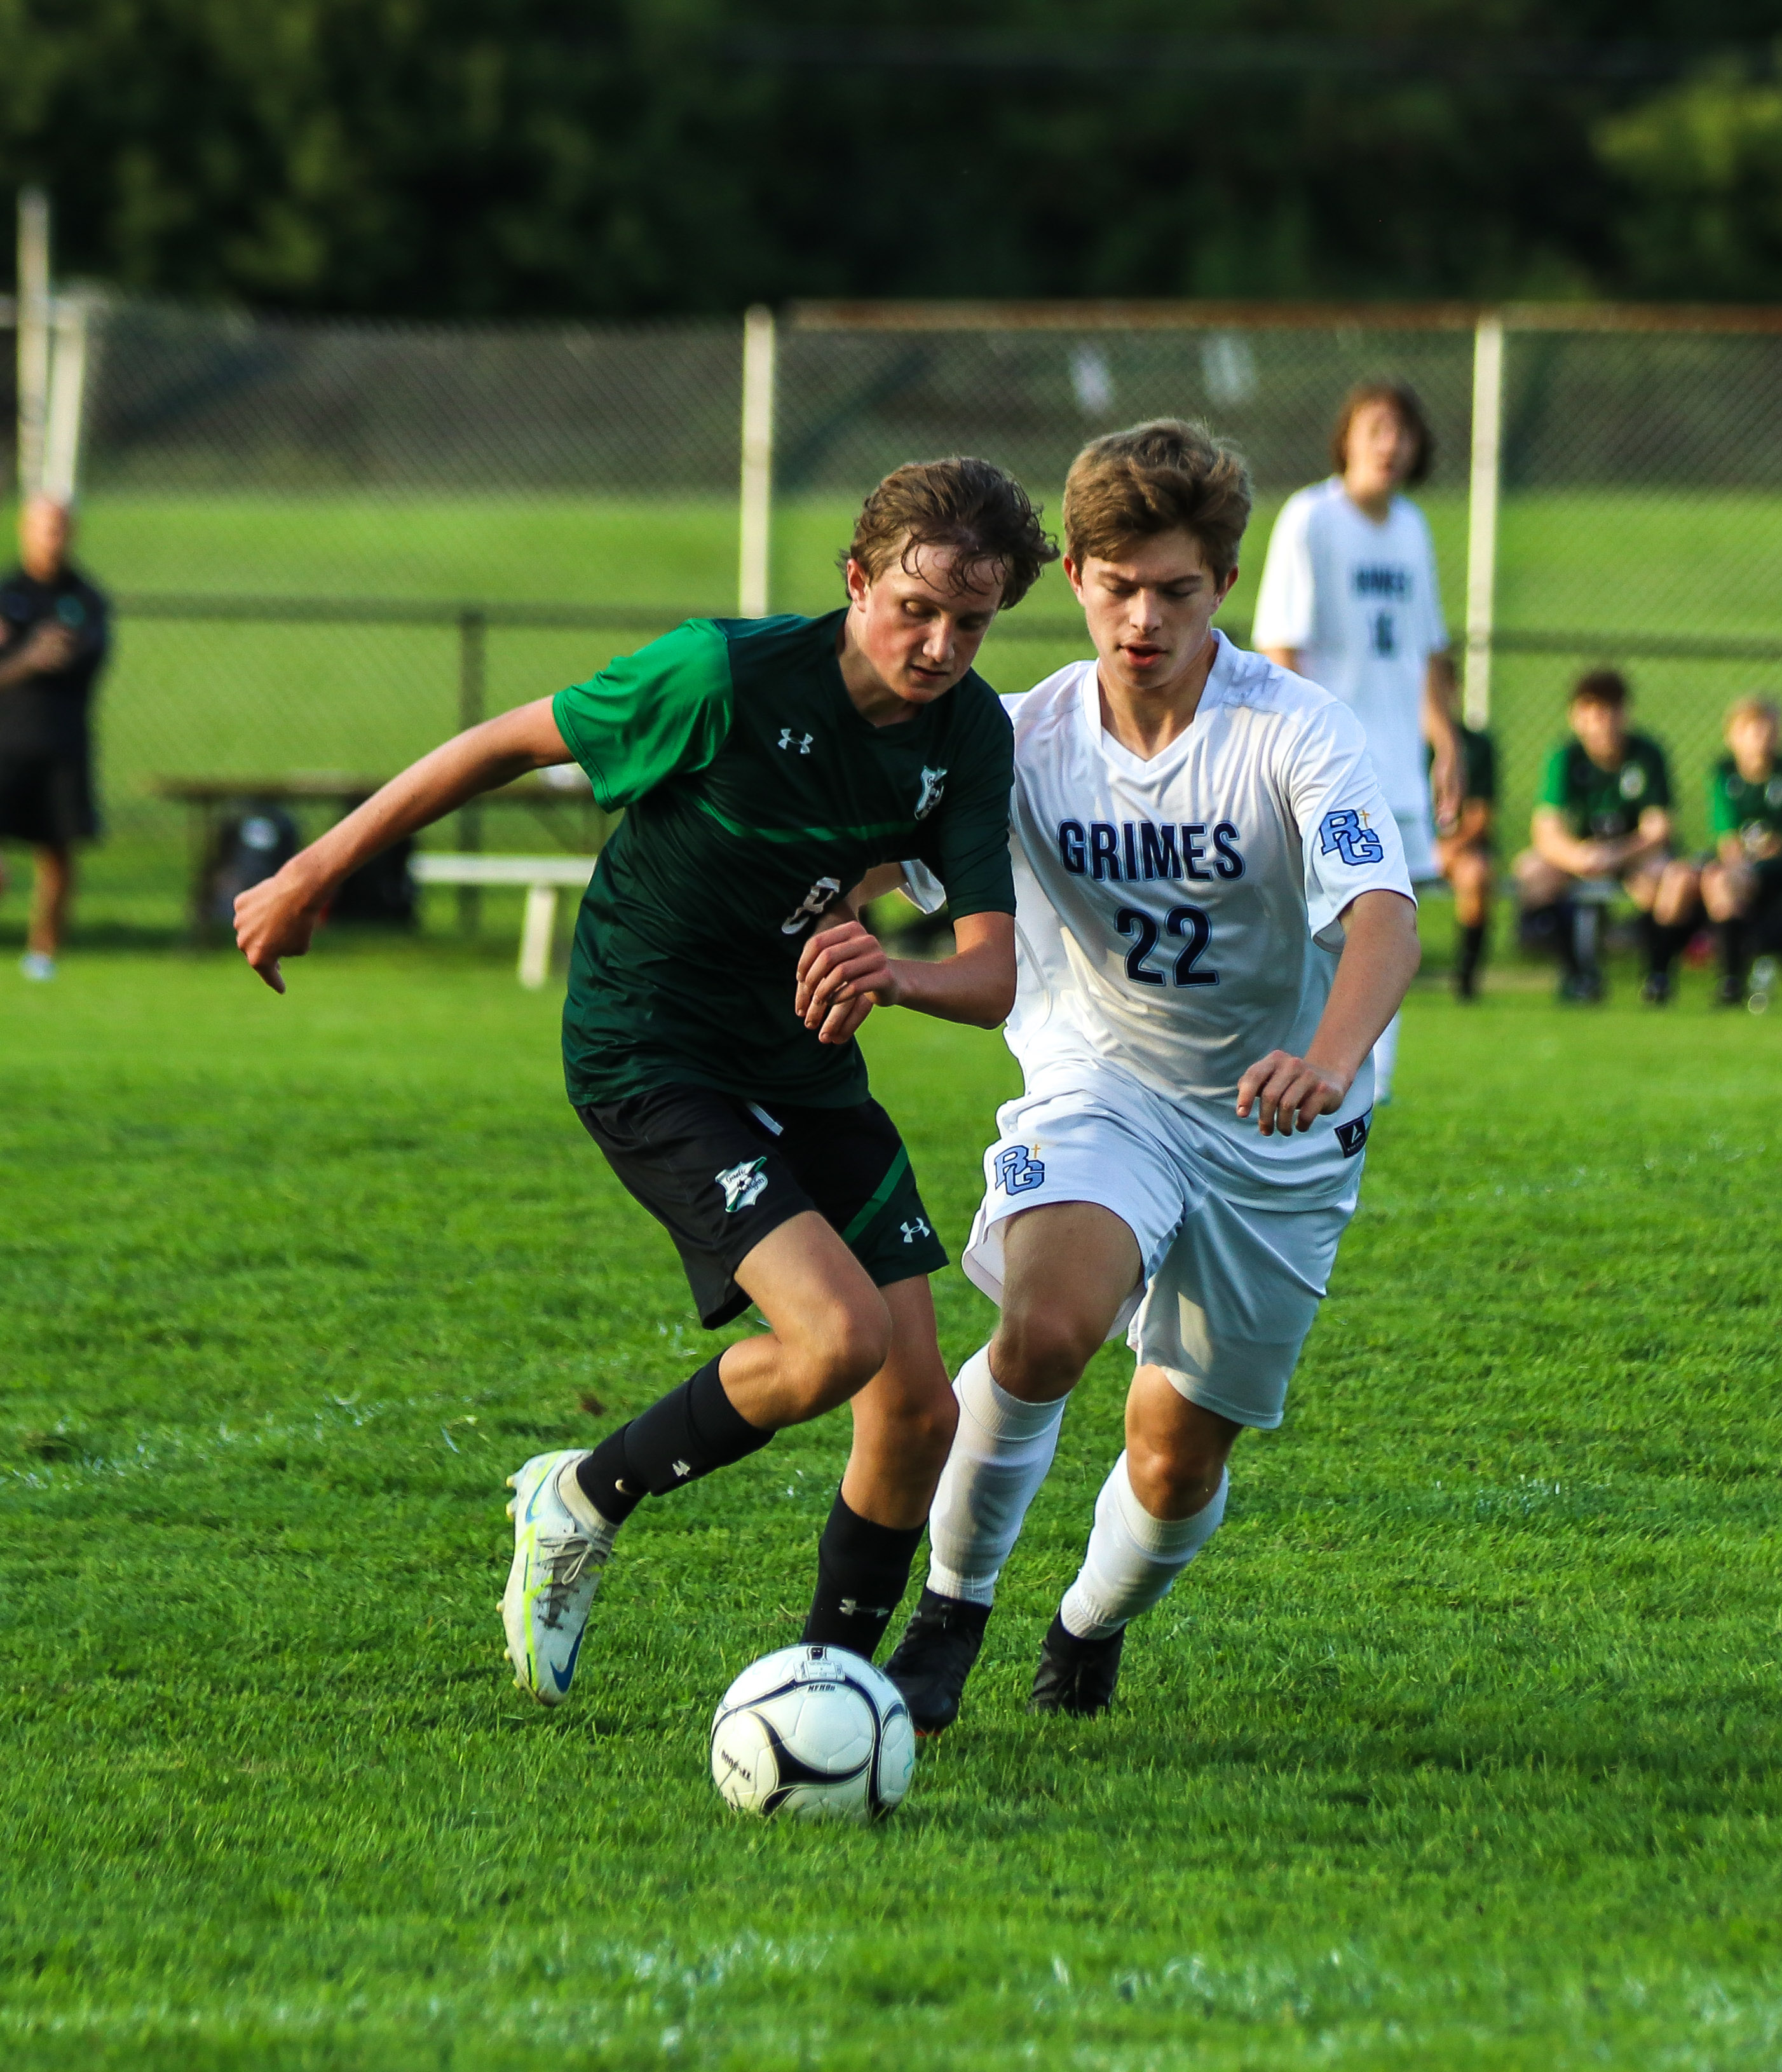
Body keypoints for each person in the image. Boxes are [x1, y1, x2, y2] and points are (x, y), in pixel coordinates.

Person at [234, 457, 1057, 1706]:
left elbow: (991, 974)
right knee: (835, 1337)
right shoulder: (719, 676)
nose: (940, 643)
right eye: (916, 608)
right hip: (650, 1049)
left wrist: (891, 970)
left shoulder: (968, 736)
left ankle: (830, 1692)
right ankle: (580, 1497)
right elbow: (502, 744)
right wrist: (312, 873)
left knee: (917, 1412)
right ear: (854, 580)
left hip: (808, 1063)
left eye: (973, 620)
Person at [881, 419, 1419, 1730]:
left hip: (1272, 1123)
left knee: (1172, 1459)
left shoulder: (1298, 734)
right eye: (1115, 585)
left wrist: (1327, 1056)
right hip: (1098, 1083)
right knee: (1046, 1326)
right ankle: (946, 1618)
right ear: (1068, 573)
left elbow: (1384, 918)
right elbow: (872, 859)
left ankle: (1087, 1623)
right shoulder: (1015, 736)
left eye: (1173, 590)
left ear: (1222, 587)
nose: (1141, 616)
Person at [1251, 381, 1459, 1100]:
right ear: (1345, 438)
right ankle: (1294, 1057)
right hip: (1329, 764)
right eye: (1374, 428)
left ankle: (1370, 1078)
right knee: (1313, 921)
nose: (1389, 443)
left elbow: (1427, 650)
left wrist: (1447, 742)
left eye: (1401, 430)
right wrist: (1293, 751)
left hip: (1398, 765)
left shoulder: (1411, 528)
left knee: (1389, 913)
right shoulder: (1310, 519)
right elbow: (1280, 646)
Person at [1513, 669, 1698, 1005]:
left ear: (1625, 713)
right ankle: (1577, 975)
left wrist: (1615, 855)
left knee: (1667, 878)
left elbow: (1658, 828)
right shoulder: (1565, 756)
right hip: (1583, 851)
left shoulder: (1647, 754)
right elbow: (1546, 830)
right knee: (1534, 873)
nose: (1603, 723)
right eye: (1593, 713)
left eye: (1611, 712)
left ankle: (1656, 976)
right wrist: (1579, 858)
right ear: (1576, 717)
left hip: (1633, 852)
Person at [0, 495, 111, 981]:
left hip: (63, 739)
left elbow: (87, 655)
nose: (52, 538)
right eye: (43, 528)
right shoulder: (6, 593)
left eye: (60, 528)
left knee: (58, 851)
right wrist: (29, 658)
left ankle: (43, 954)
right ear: (25, 531)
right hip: (6, 741)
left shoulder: (86, 598)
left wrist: (27, 653)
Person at [1701, 695, 1782, 1007]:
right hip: (1743, 868)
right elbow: (1728, 841)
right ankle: (1731, 979)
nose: (1762, 739)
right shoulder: (1724, 775)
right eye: (1752, 731)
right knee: (1719, 881)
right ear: (1733, 736)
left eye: (1769, 731)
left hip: (1775, 870)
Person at [1433, 719, 1497, 1000]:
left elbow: (1481, 815)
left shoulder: (1475, 746)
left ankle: (1466, 976)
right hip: (1402, 849)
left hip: (1456, 849)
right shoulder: (1401, 739)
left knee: (1476, 874)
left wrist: (1450, 846)